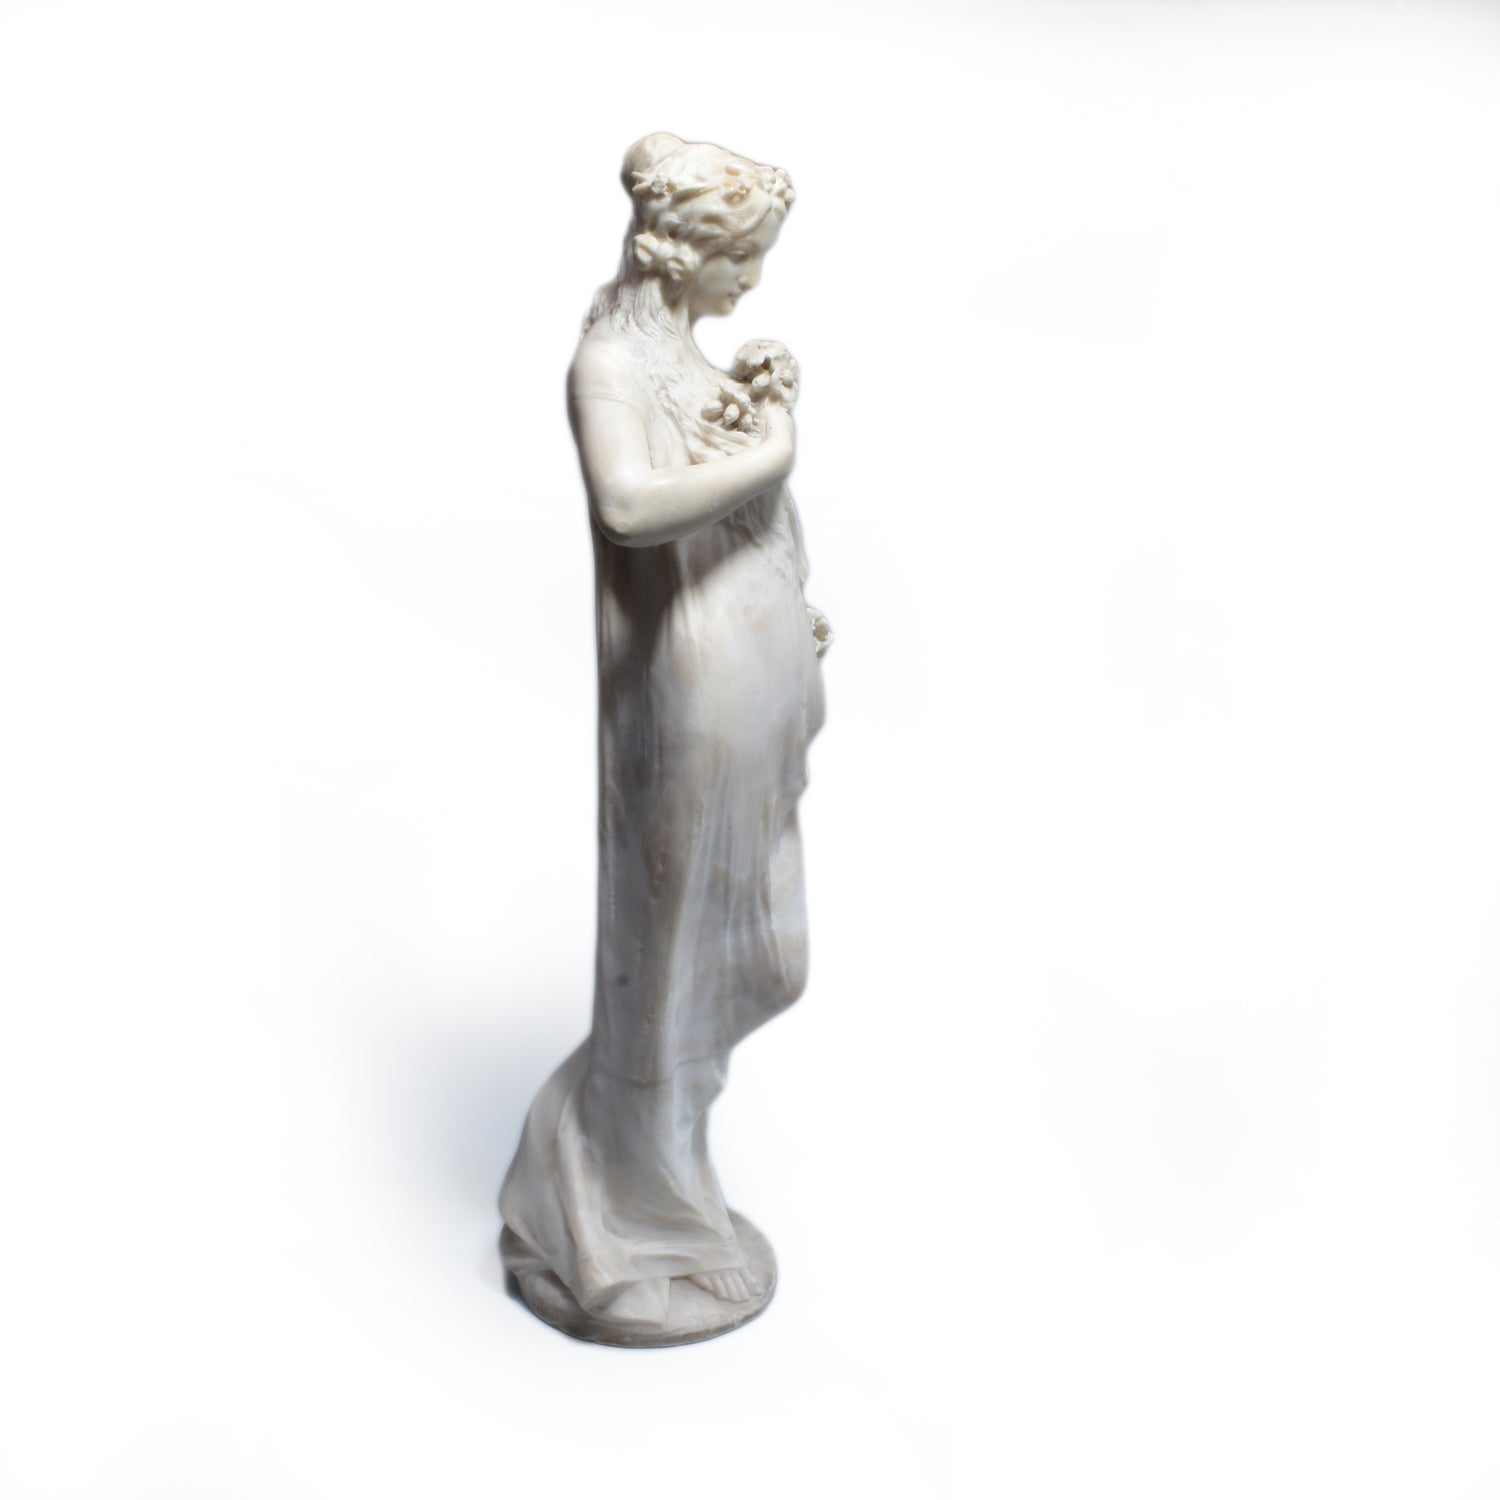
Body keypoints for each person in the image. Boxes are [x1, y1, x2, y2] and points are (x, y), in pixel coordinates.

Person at [500, 134, 827, 1341]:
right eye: (744, 259)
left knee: (752, 953)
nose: (753, 281)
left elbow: (722, 499)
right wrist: (772, 453)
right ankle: (640, 1212)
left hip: (752, 688)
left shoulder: (684, 357)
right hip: (688, 694)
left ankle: (633, 1173)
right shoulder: (608, 362)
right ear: (684, 251)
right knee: (672, 956)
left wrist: (758, 424)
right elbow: (631, 508)